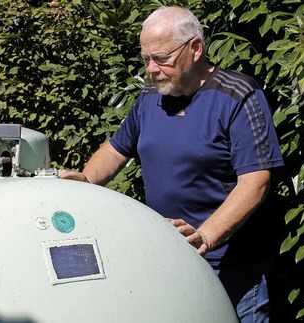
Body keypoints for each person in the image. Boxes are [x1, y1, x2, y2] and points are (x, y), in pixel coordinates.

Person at [59, 6, 284, 322]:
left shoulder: (238, 95)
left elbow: (256, 181)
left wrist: (205, 236)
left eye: (162, 58)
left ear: (195, 49)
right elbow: (116, 149)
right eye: (146, 59)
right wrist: (85, 181)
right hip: (169, 261)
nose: (151, 69)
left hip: (231, 270)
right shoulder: (151, 98)